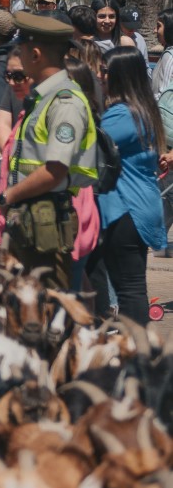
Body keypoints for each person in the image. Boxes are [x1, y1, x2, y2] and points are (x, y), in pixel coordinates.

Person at [0, 12, 99, 288]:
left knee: (46, 311)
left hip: (47, 223)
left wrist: (9, 195)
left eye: (23, 49)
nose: (17, 55)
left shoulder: (64, 102)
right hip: (32, 219)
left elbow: (55, 170)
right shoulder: (45, 98)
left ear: (36, 55)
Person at [89, 48, 164, 322]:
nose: (100, 75)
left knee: (129, 289)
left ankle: (136, 353)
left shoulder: (122, 115)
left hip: (125, 208)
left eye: (105, 71)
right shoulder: (141, 110)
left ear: (121, 76)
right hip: (138, 205)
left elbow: (89, 144)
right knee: (130, 285)